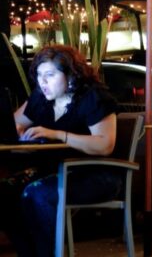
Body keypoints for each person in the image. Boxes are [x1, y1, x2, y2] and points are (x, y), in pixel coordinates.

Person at [5, 45, 118, 257]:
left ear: (71, 75)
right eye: (39, 75)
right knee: (4, 193)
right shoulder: (41, 98)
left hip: (95, 175)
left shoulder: (93, 97)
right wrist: (20, 134)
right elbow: (12, 124)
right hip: (54, 172)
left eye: (49, 75)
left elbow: (105, 144)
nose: (42, 82)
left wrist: (57, 134)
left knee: (36, 193)